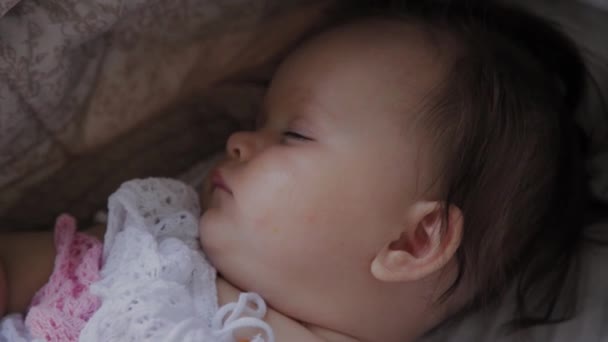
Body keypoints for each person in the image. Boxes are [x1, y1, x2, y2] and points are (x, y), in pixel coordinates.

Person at [0, 0, 591, 341]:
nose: (236, 141)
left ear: (413, 240)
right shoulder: (154, 245)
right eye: (262, 120)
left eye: (294, 133)